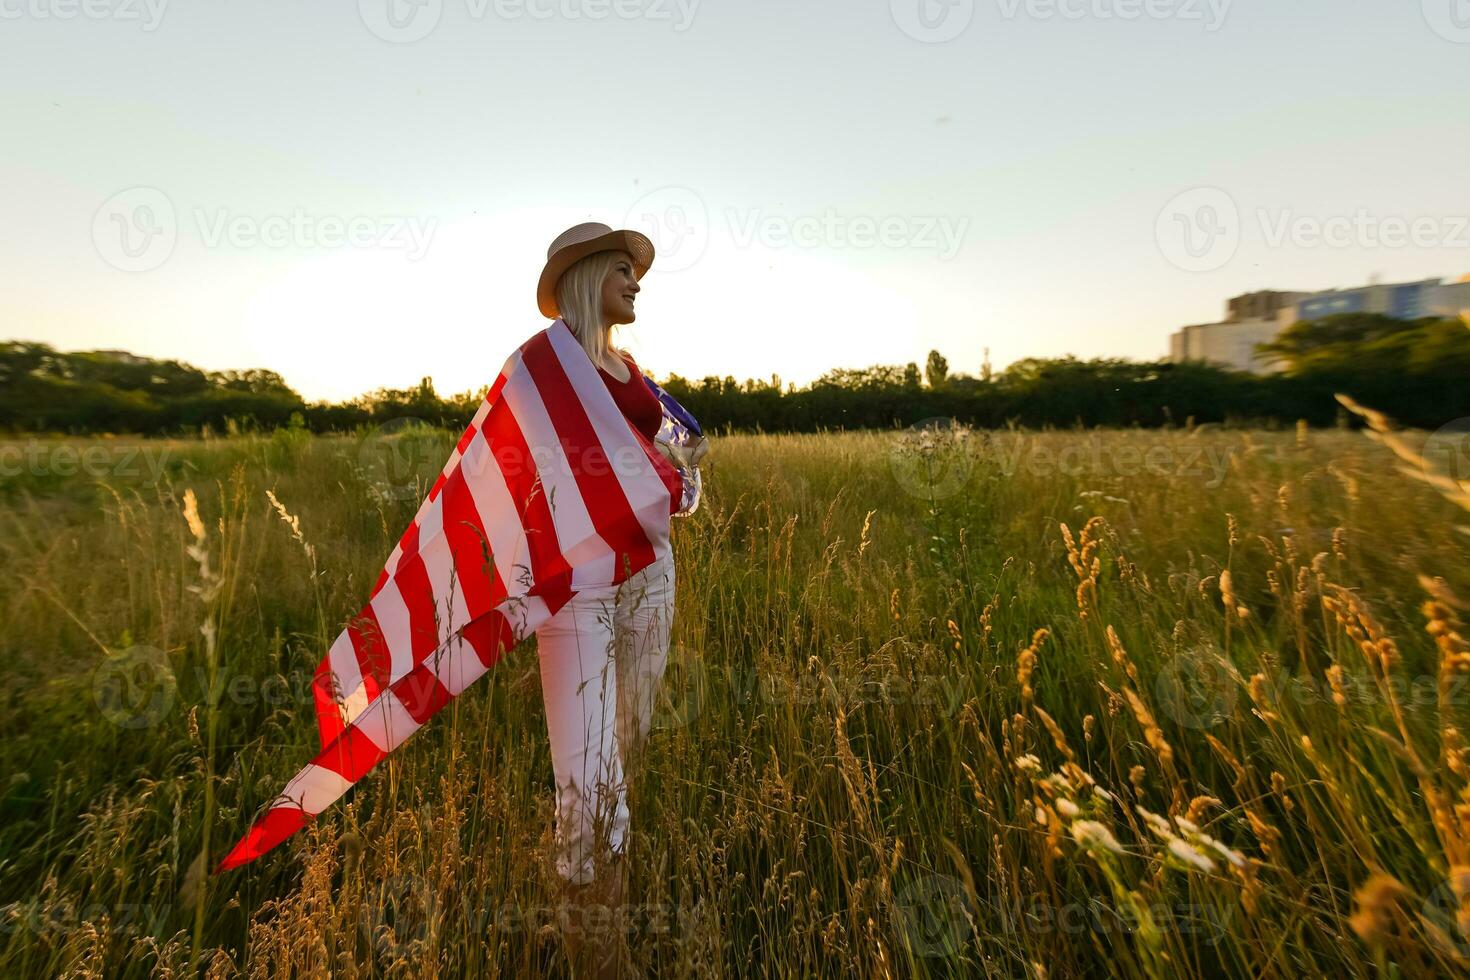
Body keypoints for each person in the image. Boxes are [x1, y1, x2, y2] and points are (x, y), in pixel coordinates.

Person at [531, 221, 709, 978]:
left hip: (651, 572)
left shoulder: (629, 365)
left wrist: (678, 463)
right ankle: (591, 959)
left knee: (620, 765)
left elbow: (664, 444)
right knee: (585, 777)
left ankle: (616, 952)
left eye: (638, 272)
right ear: (586, 275)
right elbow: (527, 474)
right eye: (622, 270)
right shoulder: (541, 366)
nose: (637, 281)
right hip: (581, 587)